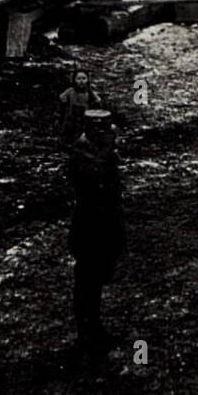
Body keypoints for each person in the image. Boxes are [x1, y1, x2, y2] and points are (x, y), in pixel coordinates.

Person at [69, 110, 127, 361]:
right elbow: (95, 179)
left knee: (98, 277)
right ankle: (87, 334)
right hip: (90, 226)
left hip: (105, 223)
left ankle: (94, 328)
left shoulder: (102, 150)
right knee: (87, 282)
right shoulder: (83, 152)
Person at [57, 66, 104, 149]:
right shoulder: (70, 91)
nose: (81, 81)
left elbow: (97, 101)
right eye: (78, 79)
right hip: (72, 117)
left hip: (85, 117)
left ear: (87, 80)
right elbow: (62, 99)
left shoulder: (89, 92)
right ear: (74, 80)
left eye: (84, 78)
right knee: (69, 132)